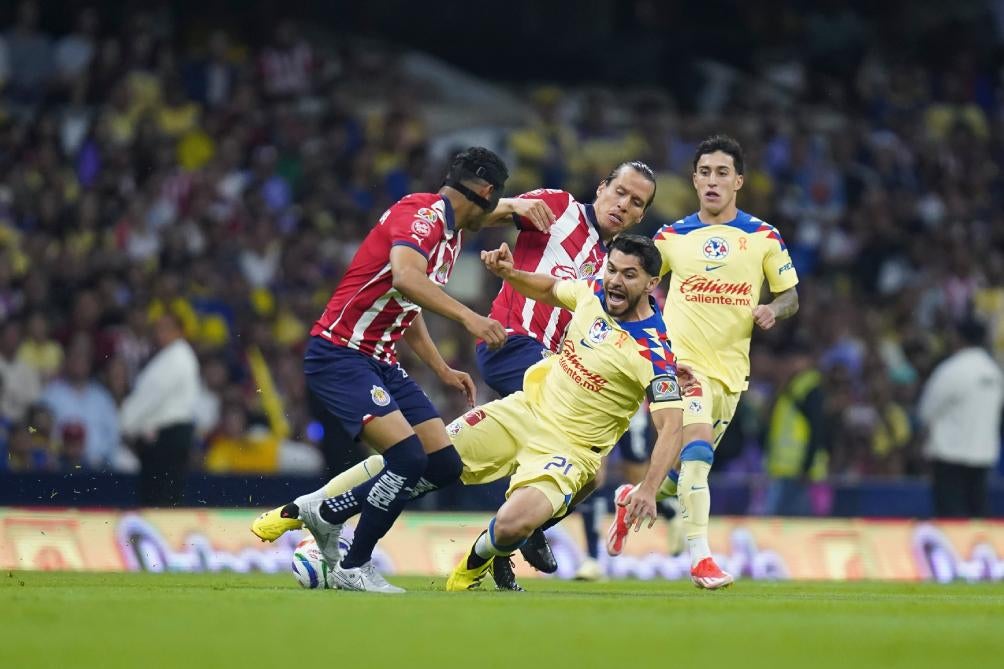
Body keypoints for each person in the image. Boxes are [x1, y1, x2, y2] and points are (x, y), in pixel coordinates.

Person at [251, 147, 510, 593]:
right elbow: (406, 279)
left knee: (444, 463)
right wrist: (470, 318)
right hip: (341, 353)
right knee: (407, 459)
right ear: (486, 191)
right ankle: (354, 564)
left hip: (380, 361)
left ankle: (329, 512)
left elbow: (407, 307)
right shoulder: (423, 215)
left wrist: (442, 368)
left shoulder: (449, 235)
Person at [606, 135, 800, 589]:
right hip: (679, 367)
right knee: (697, 449)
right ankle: (701, 558)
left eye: (722, 173)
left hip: (731, 375)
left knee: (679, 475)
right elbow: (635, 290)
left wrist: (773, 308)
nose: (713, 181)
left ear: (738, 181)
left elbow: (791, 294)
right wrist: (651, 348)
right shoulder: (671, 237)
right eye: (705, 173)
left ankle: (634, 498)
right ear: (694, 180)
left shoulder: (763, 237)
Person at [446, 234, 685, 590]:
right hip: (530, 410)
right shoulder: (593, 291)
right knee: (426, 454)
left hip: (572, 451)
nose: (616, 281)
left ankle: (475, 563)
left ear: (652, 283)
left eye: (629, 275)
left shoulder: (653, 351)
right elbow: (551, 288)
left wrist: (649, 489)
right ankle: (340, 530)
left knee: (517, 521)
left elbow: (672, 427)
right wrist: (511, 274)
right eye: (612, 270)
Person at [474, 161, 658, 588]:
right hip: (511, 343)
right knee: (575, 459)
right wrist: (512, 205)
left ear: (641, 215)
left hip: (554, 365)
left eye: (636, 203)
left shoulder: (614, 267)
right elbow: (474, 215)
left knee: (592, 474)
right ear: (602, 187)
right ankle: (524, 530)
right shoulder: (557, 207)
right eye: (620, 192)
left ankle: (516, 532)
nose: (623, 205)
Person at [918, 318, 1004, 518]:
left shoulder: (952, 370)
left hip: (950, 456)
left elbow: (926, 411)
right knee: (977, 518)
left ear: (958, 338)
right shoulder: (995, 373)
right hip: (983, 455)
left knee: (951, 518)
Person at [120, 313, 200, 506]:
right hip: (168, 436)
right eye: (157, 328)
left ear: (179, 331)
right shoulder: (171, 356)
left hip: (168, 436)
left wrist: (124, 423)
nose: (160, 333)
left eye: (166, 328)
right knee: (162, 495)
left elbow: (150, 396)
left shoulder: (177, 356)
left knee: (161, 497)